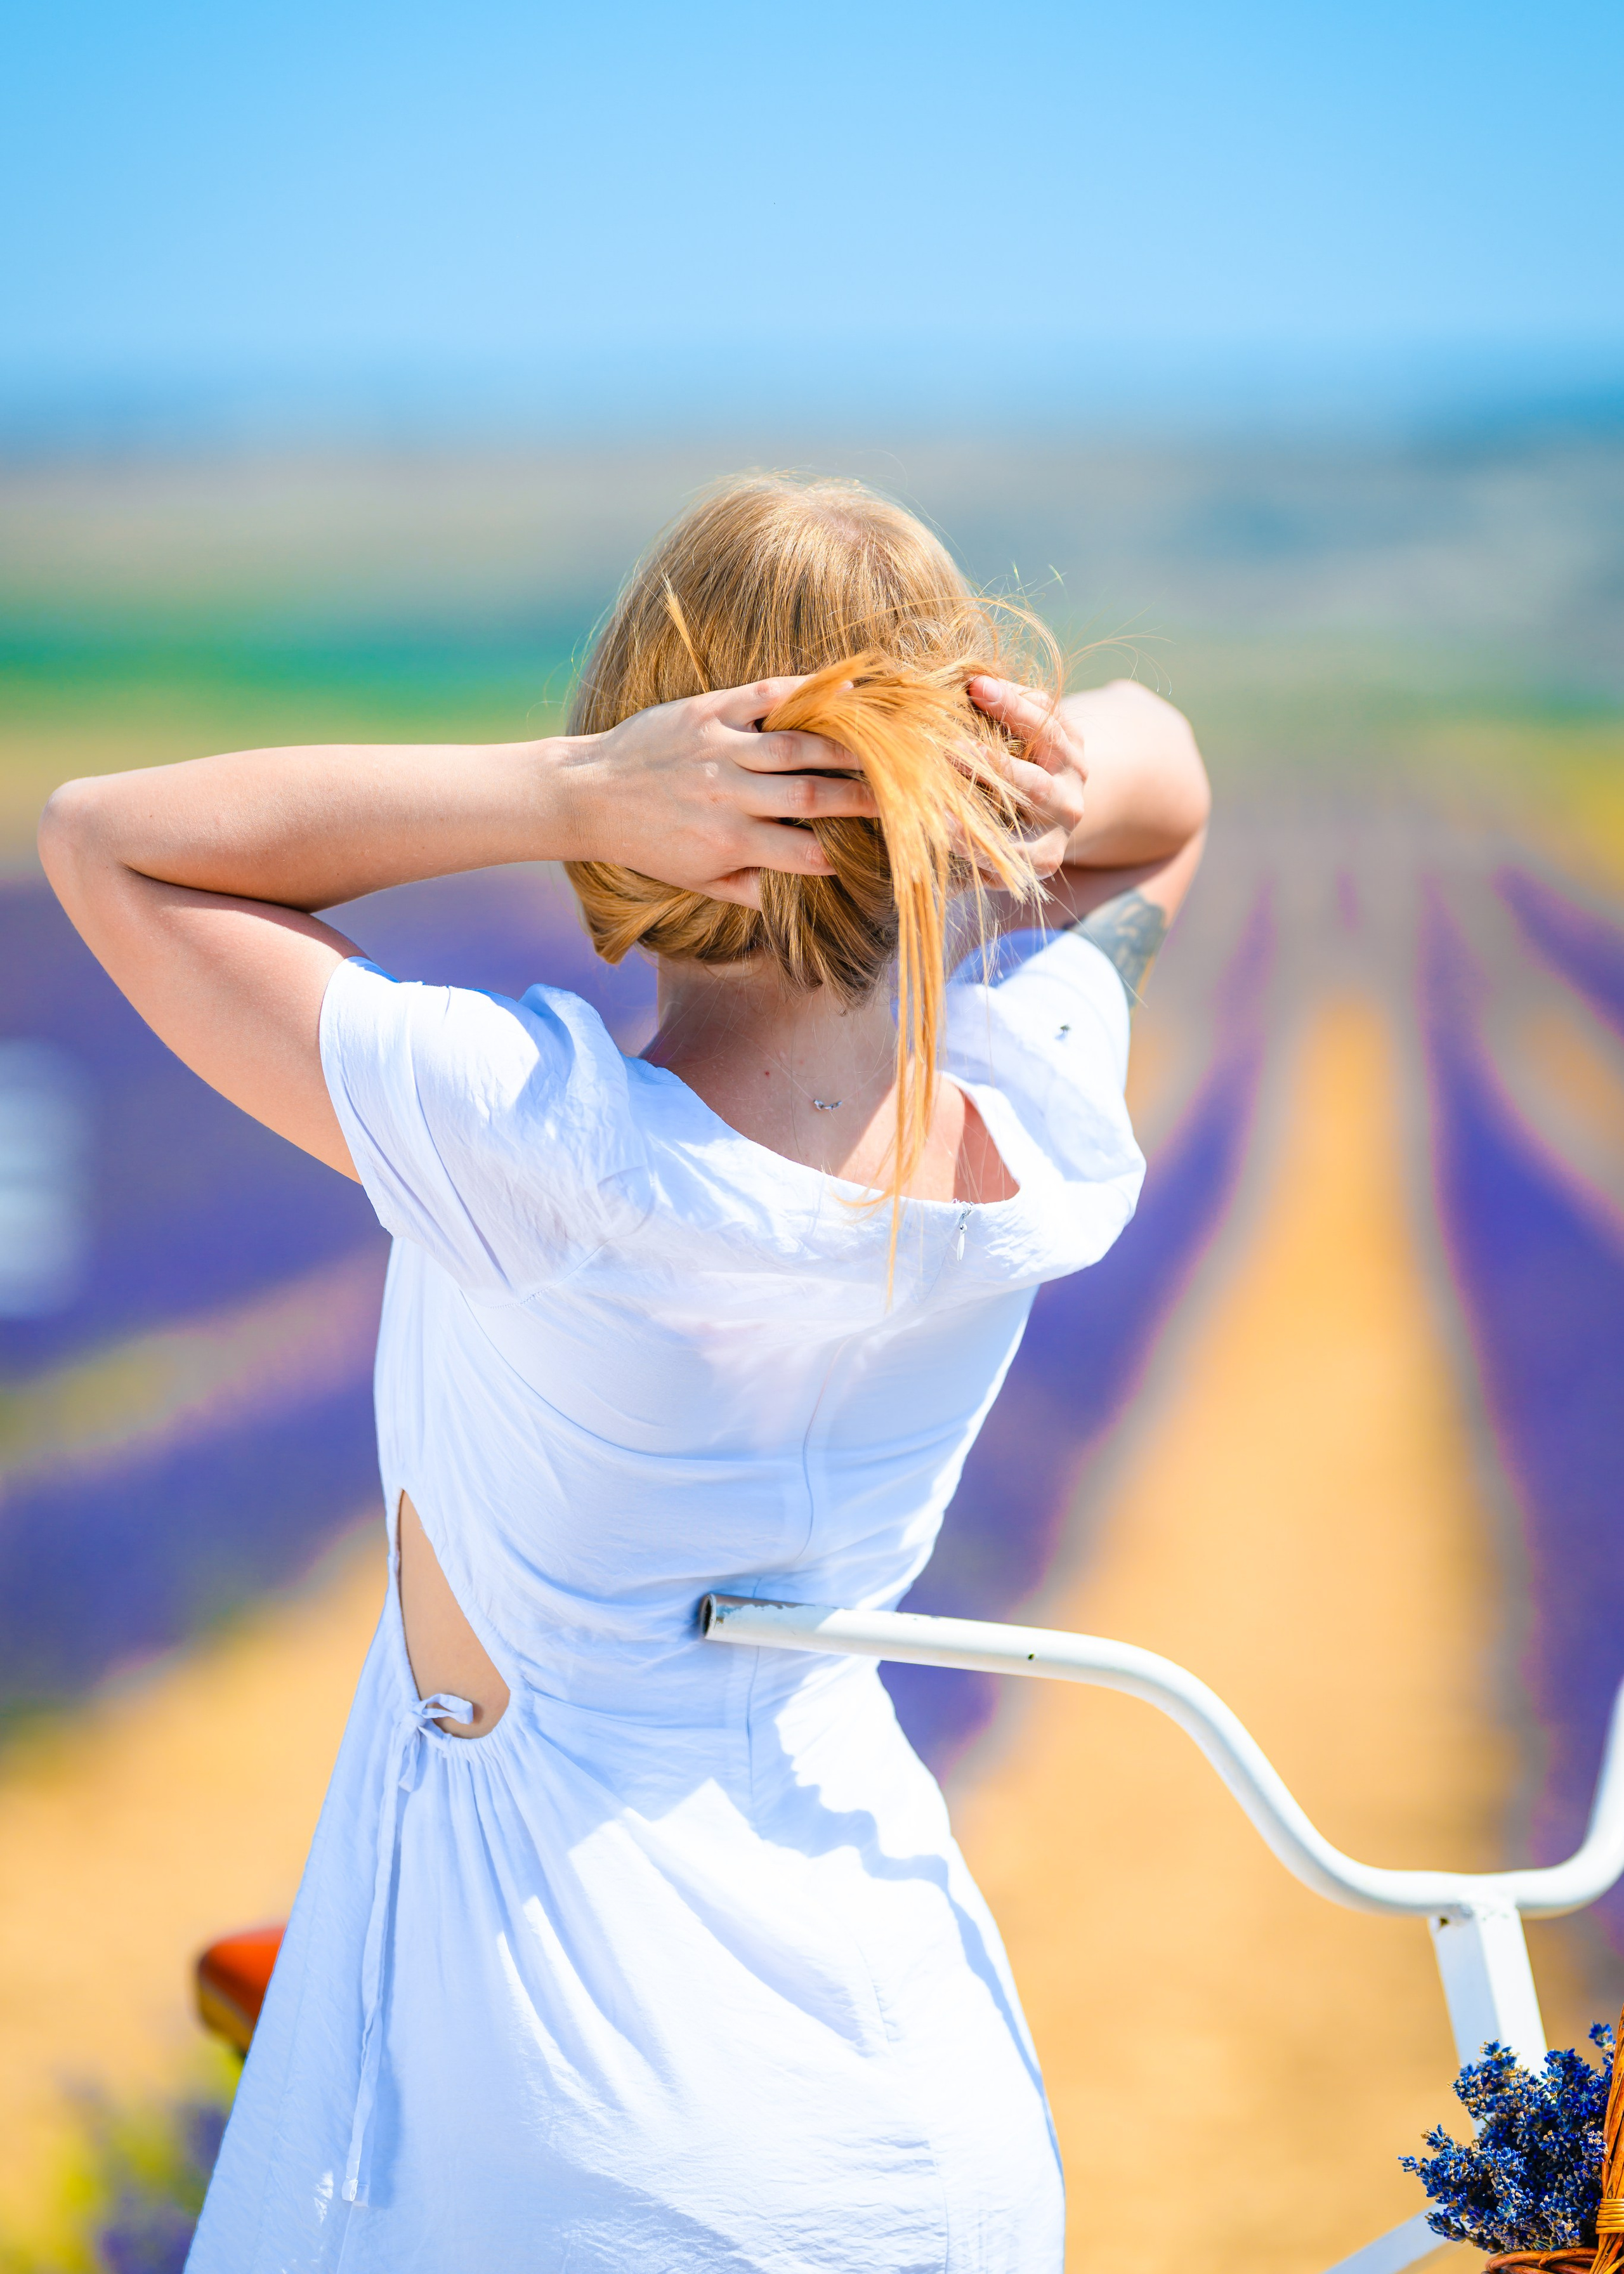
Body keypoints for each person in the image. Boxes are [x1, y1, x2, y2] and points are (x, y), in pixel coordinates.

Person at [39, 475, 1209, 2273]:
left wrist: (557, 793)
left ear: (657, 768)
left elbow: (105, 837)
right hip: (932, 2095)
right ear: (951, 794)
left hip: (583, 2137)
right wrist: (1011, 778)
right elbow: (1169, 786)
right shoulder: (1028, 1119)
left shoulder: (550, 1151)